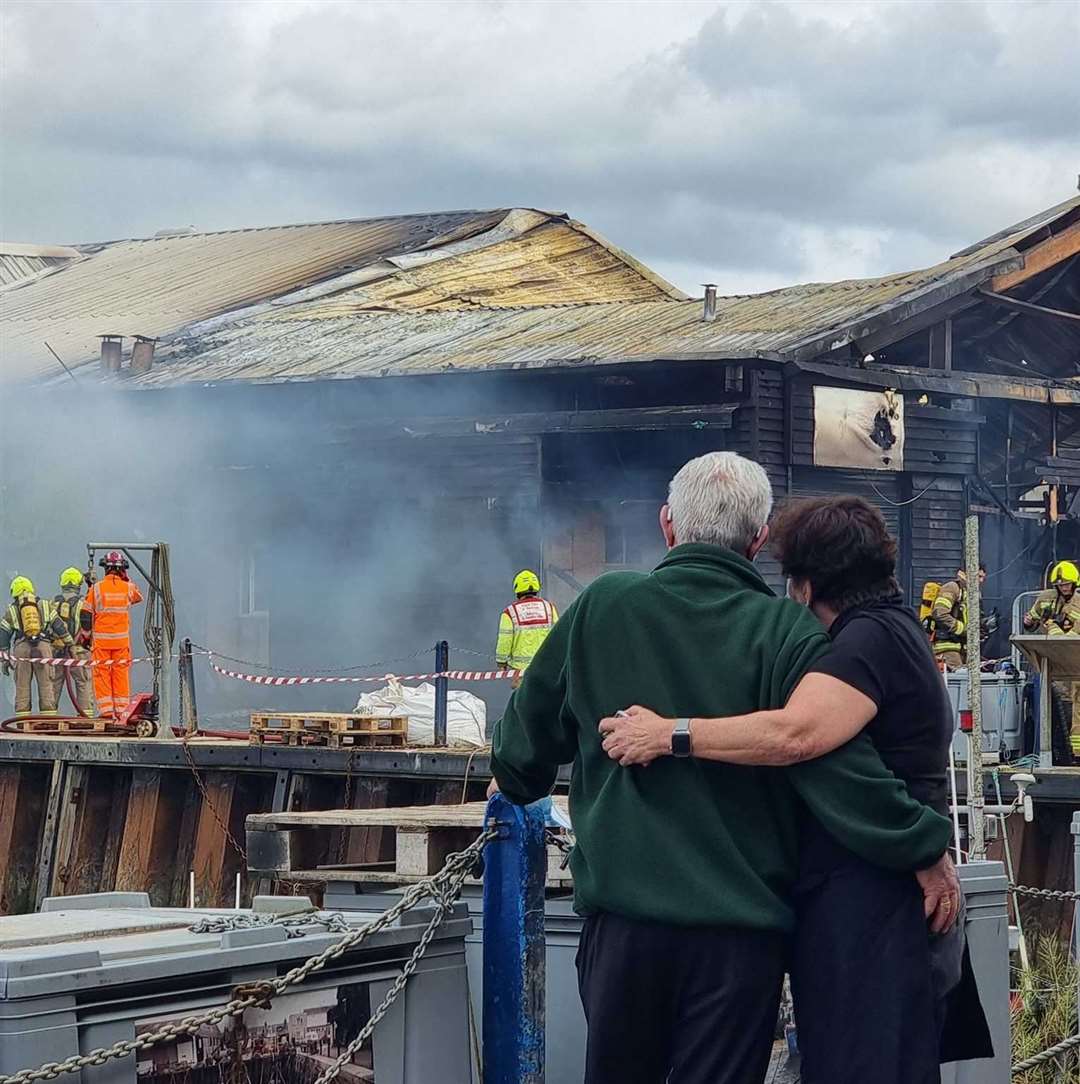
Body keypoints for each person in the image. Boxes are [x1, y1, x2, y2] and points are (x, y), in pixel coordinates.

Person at [489, 452, 957, 1084]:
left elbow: (522, 753)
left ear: (667, 525)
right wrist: (922, 845)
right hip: (739, 941)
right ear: (758, 540)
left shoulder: (601, 606)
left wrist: (515, 781)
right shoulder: (787, 631)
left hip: (625, 930)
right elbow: (837, 771)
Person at [600, 495, 992, 1084]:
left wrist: (668, 734)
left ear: (805, 586)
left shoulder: (867, 643)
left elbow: (796, 734)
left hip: (871, 903)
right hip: (882, 894)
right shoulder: (900, 628)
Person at [1023, 560, 1080, 758]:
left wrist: (1052, 626)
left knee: (1075, 707)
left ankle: (1074, 754)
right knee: (1057, 708)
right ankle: (1061, 752)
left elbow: (1072, 637)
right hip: (1051, 664)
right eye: (1060, 584)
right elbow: (1031, 620)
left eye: (1067, 584)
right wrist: (1028, 621)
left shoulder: (1078, 603)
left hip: (1074, 664)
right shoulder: (1046, 598)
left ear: (1074, 584)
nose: (1064, 588)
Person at [0, 576, 74, 718]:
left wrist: (5, 660)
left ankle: (22, 721)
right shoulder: (45, 605)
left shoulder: (11, 610)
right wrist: (70, 644)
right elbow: (59, 626)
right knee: (46, 684)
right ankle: (48, 718)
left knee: (22, 686)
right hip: (43, 648)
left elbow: (3, 635)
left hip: (21, 649)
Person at [84, 551, 143, 720]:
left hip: (102, 643)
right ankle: (122, 710)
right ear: (122, 569)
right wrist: (126, 579)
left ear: (106, 569)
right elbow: (138, 597)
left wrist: (86, 635)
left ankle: (107, 711)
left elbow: (86, 613)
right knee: (121, 674)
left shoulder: (96, 588)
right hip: (121, 642)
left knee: (101, 673)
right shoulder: (128, 588)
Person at [495, 570, 558, 682]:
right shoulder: (549, 607)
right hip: (546, 667)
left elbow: (505, 640)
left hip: (520, 672)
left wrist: (501, 662)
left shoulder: (510, 612)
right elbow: (558, 635)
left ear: (517, 589)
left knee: (523, 698)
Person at [51, 567, 96, 717]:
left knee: (53, 683)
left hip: (56, 651)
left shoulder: (52, 603)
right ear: (78, 584)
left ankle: (48, 716)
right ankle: (86, 717)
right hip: (79, 651)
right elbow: (88, 625)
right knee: (83, 682)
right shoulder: (83, 603)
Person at [928, 564, 986, 668]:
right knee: (957, 679)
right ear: (967, 574)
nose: (981, 581)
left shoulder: (972, 593)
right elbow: (940, 613)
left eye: (983, 577)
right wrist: (965, 629)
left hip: (963, 647)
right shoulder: (952, 588)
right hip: (947, 646)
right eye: (979, 576)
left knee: (966, 679)